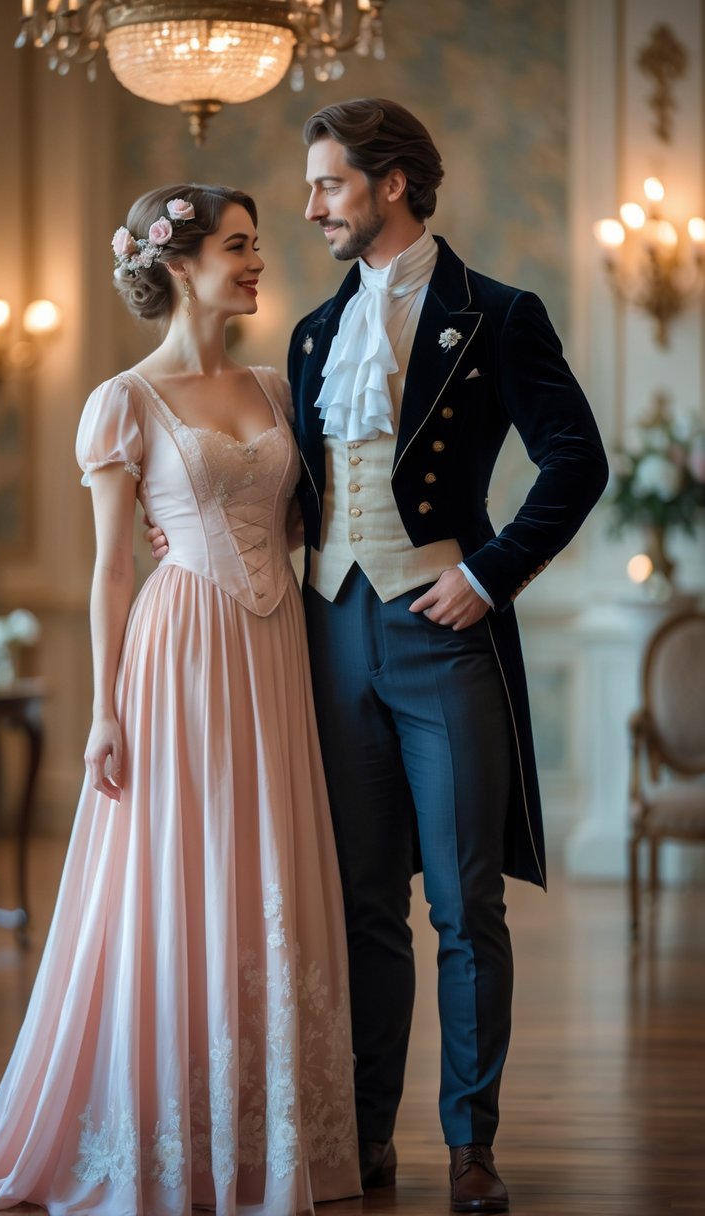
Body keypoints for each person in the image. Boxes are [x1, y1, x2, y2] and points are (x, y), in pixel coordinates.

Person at [0, 184, 360, 1215]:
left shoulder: (279, 388)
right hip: (178, 647)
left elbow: (315, 521)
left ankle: (262, 1138)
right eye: (238, 247)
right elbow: (105, 572)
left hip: (275, 651)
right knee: (182, 873)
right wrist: (105, 709)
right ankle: (167, 1138)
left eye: (256, 246)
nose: (257, 262)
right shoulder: (122, 401)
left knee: (263, 863)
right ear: (179, 264)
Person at [287, 99, 609, 1213]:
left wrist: (487, 573)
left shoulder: (499, 316)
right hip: (330, 633)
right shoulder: (313, 336)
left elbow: (576, 461)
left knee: (466, 906)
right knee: (363, 904)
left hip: (441, 633)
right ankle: (367, 1138)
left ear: (389, 184)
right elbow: (298, 493)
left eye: (328, 183)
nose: (312, 204)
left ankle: (469, 1147)